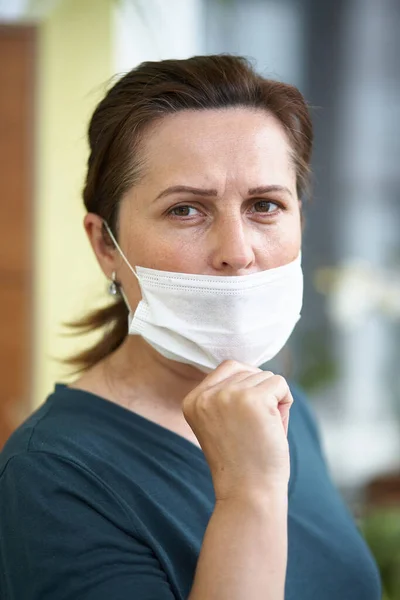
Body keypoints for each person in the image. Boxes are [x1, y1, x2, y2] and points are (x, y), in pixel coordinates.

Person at [0, 55, 381, 600]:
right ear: (106, 245)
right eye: (186, 210)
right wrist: (249, 495)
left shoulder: (285, 408)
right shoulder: (51, 475)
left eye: (265, 205)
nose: (238, 251)